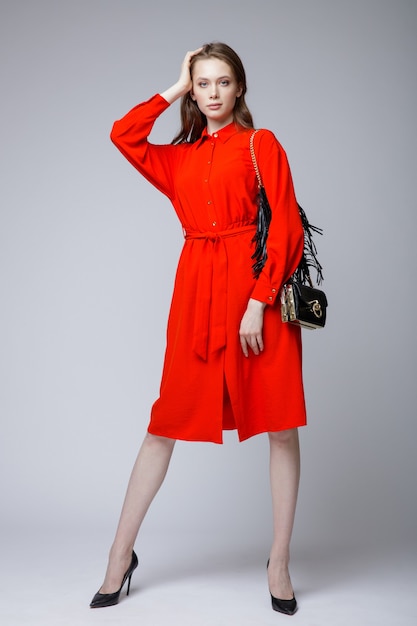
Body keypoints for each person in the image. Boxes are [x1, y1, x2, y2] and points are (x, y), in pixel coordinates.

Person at [90, 42, 306, 616]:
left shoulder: (261, 145)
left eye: (221, 82)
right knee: (165, 424)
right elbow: (123, 134)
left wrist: (259, 302)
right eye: (202, 84)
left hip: (257, 298)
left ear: (240, 88)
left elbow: (284, 224)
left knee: (280, 424)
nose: (212, 93)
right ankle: (119, 556)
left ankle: (279, 561)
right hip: (197, 298)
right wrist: (174, 85)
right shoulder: (179, 159)